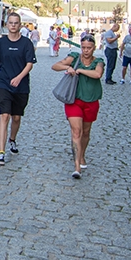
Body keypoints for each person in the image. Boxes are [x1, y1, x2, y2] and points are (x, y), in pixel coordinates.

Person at [52, 35, 104, 179]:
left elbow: (98, 74)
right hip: (73, 100)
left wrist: (80, 71)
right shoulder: (75, 57)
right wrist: (69, 67)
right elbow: (55, 66)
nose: (86, 51)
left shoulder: (98, 61)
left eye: (89, 48)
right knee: (76, 131)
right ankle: (76, 167)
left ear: (94, 48)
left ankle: (81, 155)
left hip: (91, 100)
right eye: (83, 47)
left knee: (86, 132)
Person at [0, 12, 37, 165]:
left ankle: (12, 139)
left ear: (20, 25)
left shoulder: (26, 43)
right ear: (7, 24)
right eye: (11, 23)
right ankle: (1, 152)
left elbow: (29, 64)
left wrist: (19, 77)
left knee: (16, 117)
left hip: (21, 86)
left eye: (16, 23)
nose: (13, 25)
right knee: (4, 115)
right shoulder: (1, 43)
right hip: (3, 83)